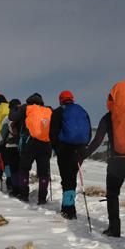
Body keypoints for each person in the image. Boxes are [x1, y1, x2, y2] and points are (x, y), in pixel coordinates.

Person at [80, 81, 125, 237]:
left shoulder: (109, 117)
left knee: (112, 194)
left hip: (117, 160)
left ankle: (114, 228)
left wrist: (82, 156)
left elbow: (97, 140)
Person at [49, 91, 91, 219]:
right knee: (72, 178)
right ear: (72, 99)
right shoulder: (82, 110)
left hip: (64, 150)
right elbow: (88, 133)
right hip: (80, 150)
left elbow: (53, 133)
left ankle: (69, 211)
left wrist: (56, 148)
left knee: (67, 180)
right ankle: (66, 206)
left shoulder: (57, 112)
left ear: (60, 100)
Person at [8, 93, 52, 204]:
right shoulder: (49, 109)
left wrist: (14, 107)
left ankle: (24, 196)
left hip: (30, 143)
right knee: (43, 173)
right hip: (46, 144)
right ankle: (42, 198)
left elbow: (12, 117)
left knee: (24, 169)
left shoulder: (26, 108)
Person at [0, 99, 22, 196]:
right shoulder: (24, 117)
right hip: (22, 146)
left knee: (14, 169)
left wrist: (0, 144)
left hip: (10, 146)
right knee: (22, 169)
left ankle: (15, 189)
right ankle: (23, 189)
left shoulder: (7, 118)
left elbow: (2, 133)